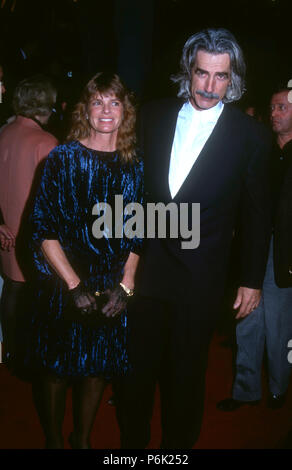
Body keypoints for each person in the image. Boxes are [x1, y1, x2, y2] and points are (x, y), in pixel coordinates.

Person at [115, 28, 272, 449]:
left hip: (201, 279)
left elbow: (258, 215)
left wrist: (252, 279)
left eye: (220, 77)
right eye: (202, 73)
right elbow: (135, 193)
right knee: (135, 377)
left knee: (185, 379)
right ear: (189, 70)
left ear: (233, 78)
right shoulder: (153, 115)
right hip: (147, 271)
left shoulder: (251, 135)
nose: (208, 86)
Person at [23, 72, 143, 449]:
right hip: (64, 283)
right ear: (85, 110)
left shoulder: (134, 163)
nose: (106, 110)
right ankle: (56, 442)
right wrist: (73, 286)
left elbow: (140, 229)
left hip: (111, 286)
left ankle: (82, 439)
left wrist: (126, 285)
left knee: (97, 369)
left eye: (114, 102)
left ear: (125, 111)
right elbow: (41, 229)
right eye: (97, 102)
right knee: (56, 372)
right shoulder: (62, 159)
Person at [217, 85, 292, 412]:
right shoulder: (262, 148)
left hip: (284, 250)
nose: (274, 114)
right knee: (246, 318)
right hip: (252, 245)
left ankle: (279, 388)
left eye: (282, 108)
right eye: (272, 108)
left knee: (278, 324)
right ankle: (245, 391)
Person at [0, 75, 58, 371]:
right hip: (32, 233)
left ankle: (10, 351)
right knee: (31, 297)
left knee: (12, 290)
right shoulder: (45, 142)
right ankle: (26, 356)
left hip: (6, 228)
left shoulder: (5, 132)